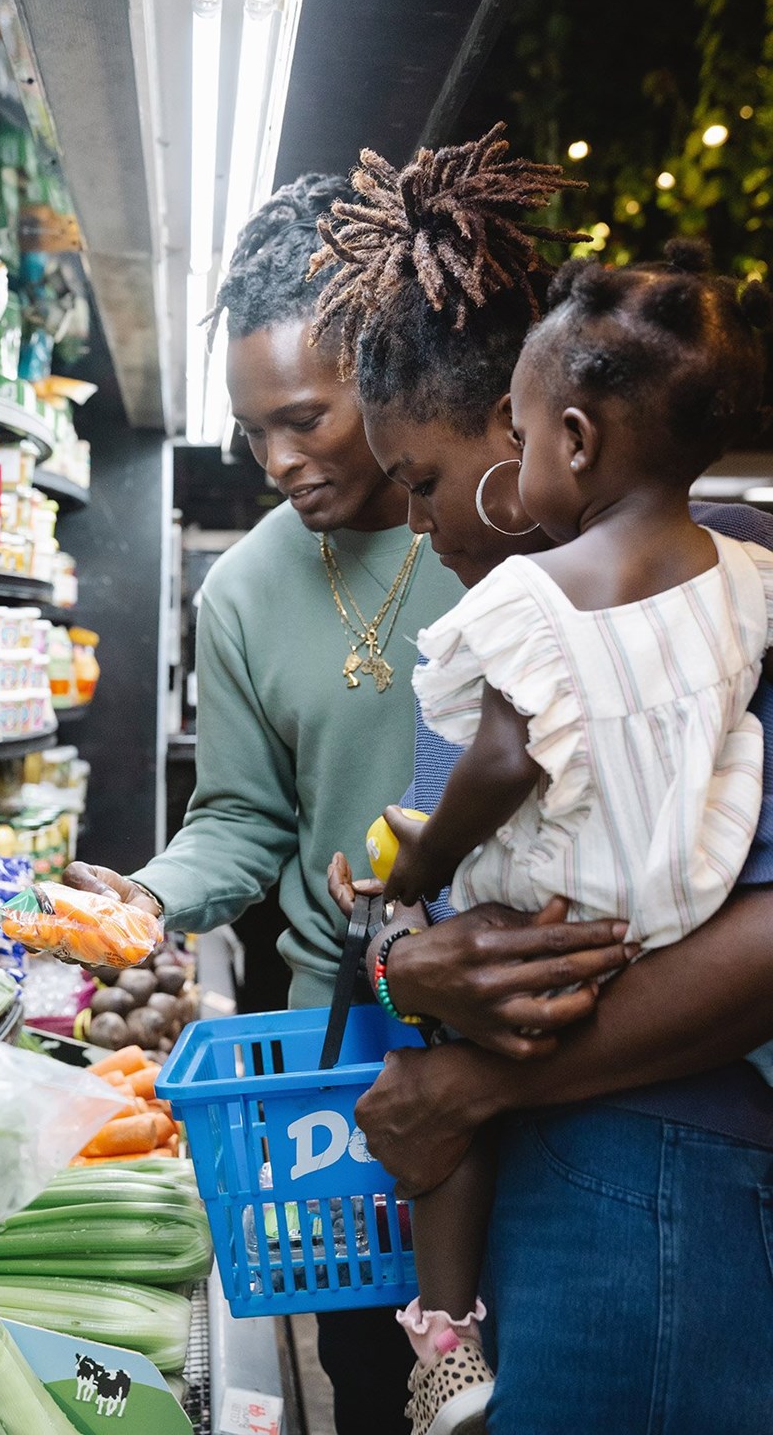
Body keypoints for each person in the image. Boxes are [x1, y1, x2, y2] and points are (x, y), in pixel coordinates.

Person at [63, 171, 600, 1435]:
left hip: (552, 1022)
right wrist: (146, 895)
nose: (279, 462)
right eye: (254, 433)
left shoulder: (505, 517)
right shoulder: (246, 592)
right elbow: (246, 818)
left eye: (305, 417)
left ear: (386, 367)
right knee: (375, 1377)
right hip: (347, 1068)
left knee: (532, 1360)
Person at [316, 126, 773, 1435]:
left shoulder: (711, 595)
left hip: (649, 1170)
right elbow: (437, 889)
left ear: (535, 443)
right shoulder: (524, 630)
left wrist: (476, 1077)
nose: (423, 523)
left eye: (432, 480)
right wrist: (405, 956)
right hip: (540, 1168)